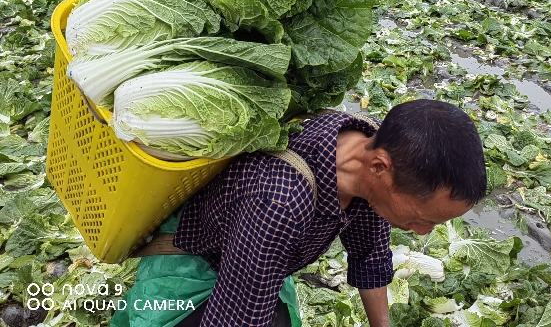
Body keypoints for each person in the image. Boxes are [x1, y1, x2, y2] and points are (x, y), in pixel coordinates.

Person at [111, 100, 487, 327]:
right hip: (196, 262)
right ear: (380, 167)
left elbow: (369, 255)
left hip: (261, 256)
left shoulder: (369, 149)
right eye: (425, 218)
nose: (422, 233)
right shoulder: (280, 200)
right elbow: (237, 318)